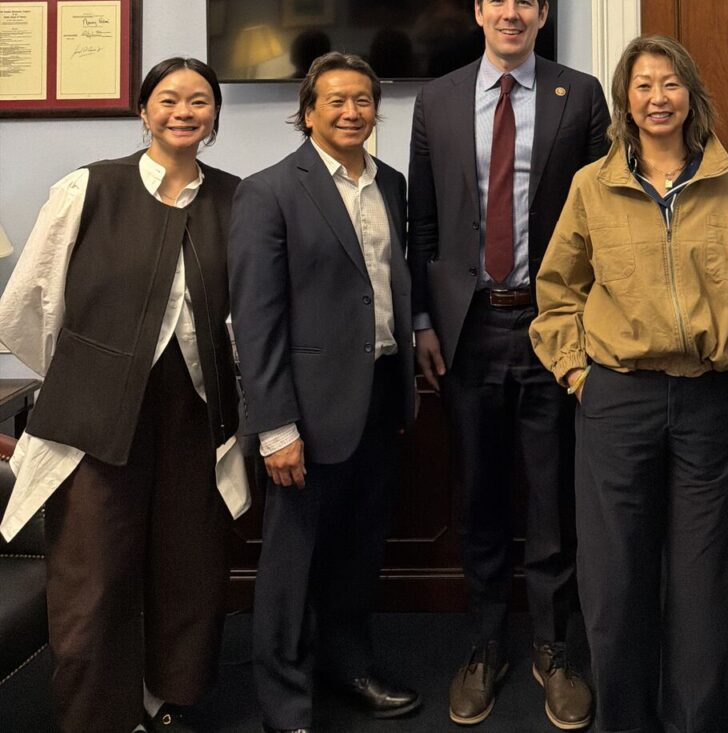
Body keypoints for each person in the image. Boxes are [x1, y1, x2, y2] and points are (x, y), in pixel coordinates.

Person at [530, 34, 728, 733]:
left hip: (711, 403)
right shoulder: (592, 187)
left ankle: (691, 724)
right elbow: (556, 294)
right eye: (643, 85)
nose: (657, 97)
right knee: (614, 584)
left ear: (690, 95)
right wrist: (578, 373)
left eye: (670, 83)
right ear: (625, 101)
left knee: (704, 586)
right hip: (618, 399)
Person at [0, 57, 249, 732]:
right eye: (169, 99)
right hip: (97, 413)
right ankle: (97, 717)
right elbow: (29, 301)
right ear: (143, 111)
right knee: (95, 575)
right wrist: (86, 373)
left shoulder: (235, 198)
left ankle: (159, 696)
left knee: (186, 565)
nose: (184, 110)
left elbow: (241, 317)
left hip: (193, 411)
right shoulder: (89, 188)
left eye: (200, 100)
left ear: (214, 116)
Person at [408, 0, 609, 728]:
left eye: (525, 1)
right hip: (466, 329)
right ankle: (486, 643)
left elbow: (601, 221)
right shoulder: (439, 97)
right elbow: (422, 223)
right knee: (481, 495)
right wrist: (425, 320)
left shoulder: (579, 95)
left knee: (555, 495)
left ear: (542, 14)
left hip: (554, 328)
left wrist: (588, 324)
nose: (511, 13)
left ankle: (554, 648)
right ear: (478, 10)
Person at [229, 52, 419, 733]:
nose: (351, 111)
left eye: (363, 99)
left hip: (379, 397)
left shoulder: (391, 185)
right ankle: (286, 699)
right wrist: (275, 425)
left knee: (358, 549)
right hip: (304, 411)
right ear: (308, 111)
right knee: (292, 559)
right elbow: (256, 319)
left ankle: (349, 665)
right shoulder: (271, 190)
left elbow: (394, 285)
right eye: (336, 100)